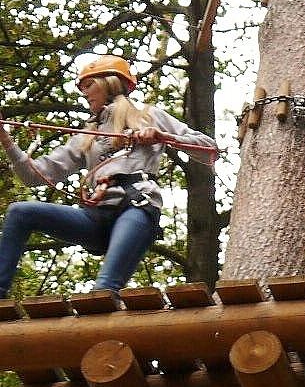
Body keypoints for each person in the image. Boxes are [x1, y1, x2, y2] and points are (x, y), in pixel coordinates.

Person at [0, 54, 218, 298]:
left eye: (88, 85)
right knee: (21, 212)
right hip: (96, 215)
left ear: (110, 82)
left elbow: (209, 150)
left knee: (103, 291)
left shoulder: (148, 116)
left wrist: (163, 137)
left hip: (136, 207)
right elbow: (35, 176)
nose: (84, 93)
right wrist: (6, 140)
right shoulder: (87, 134)